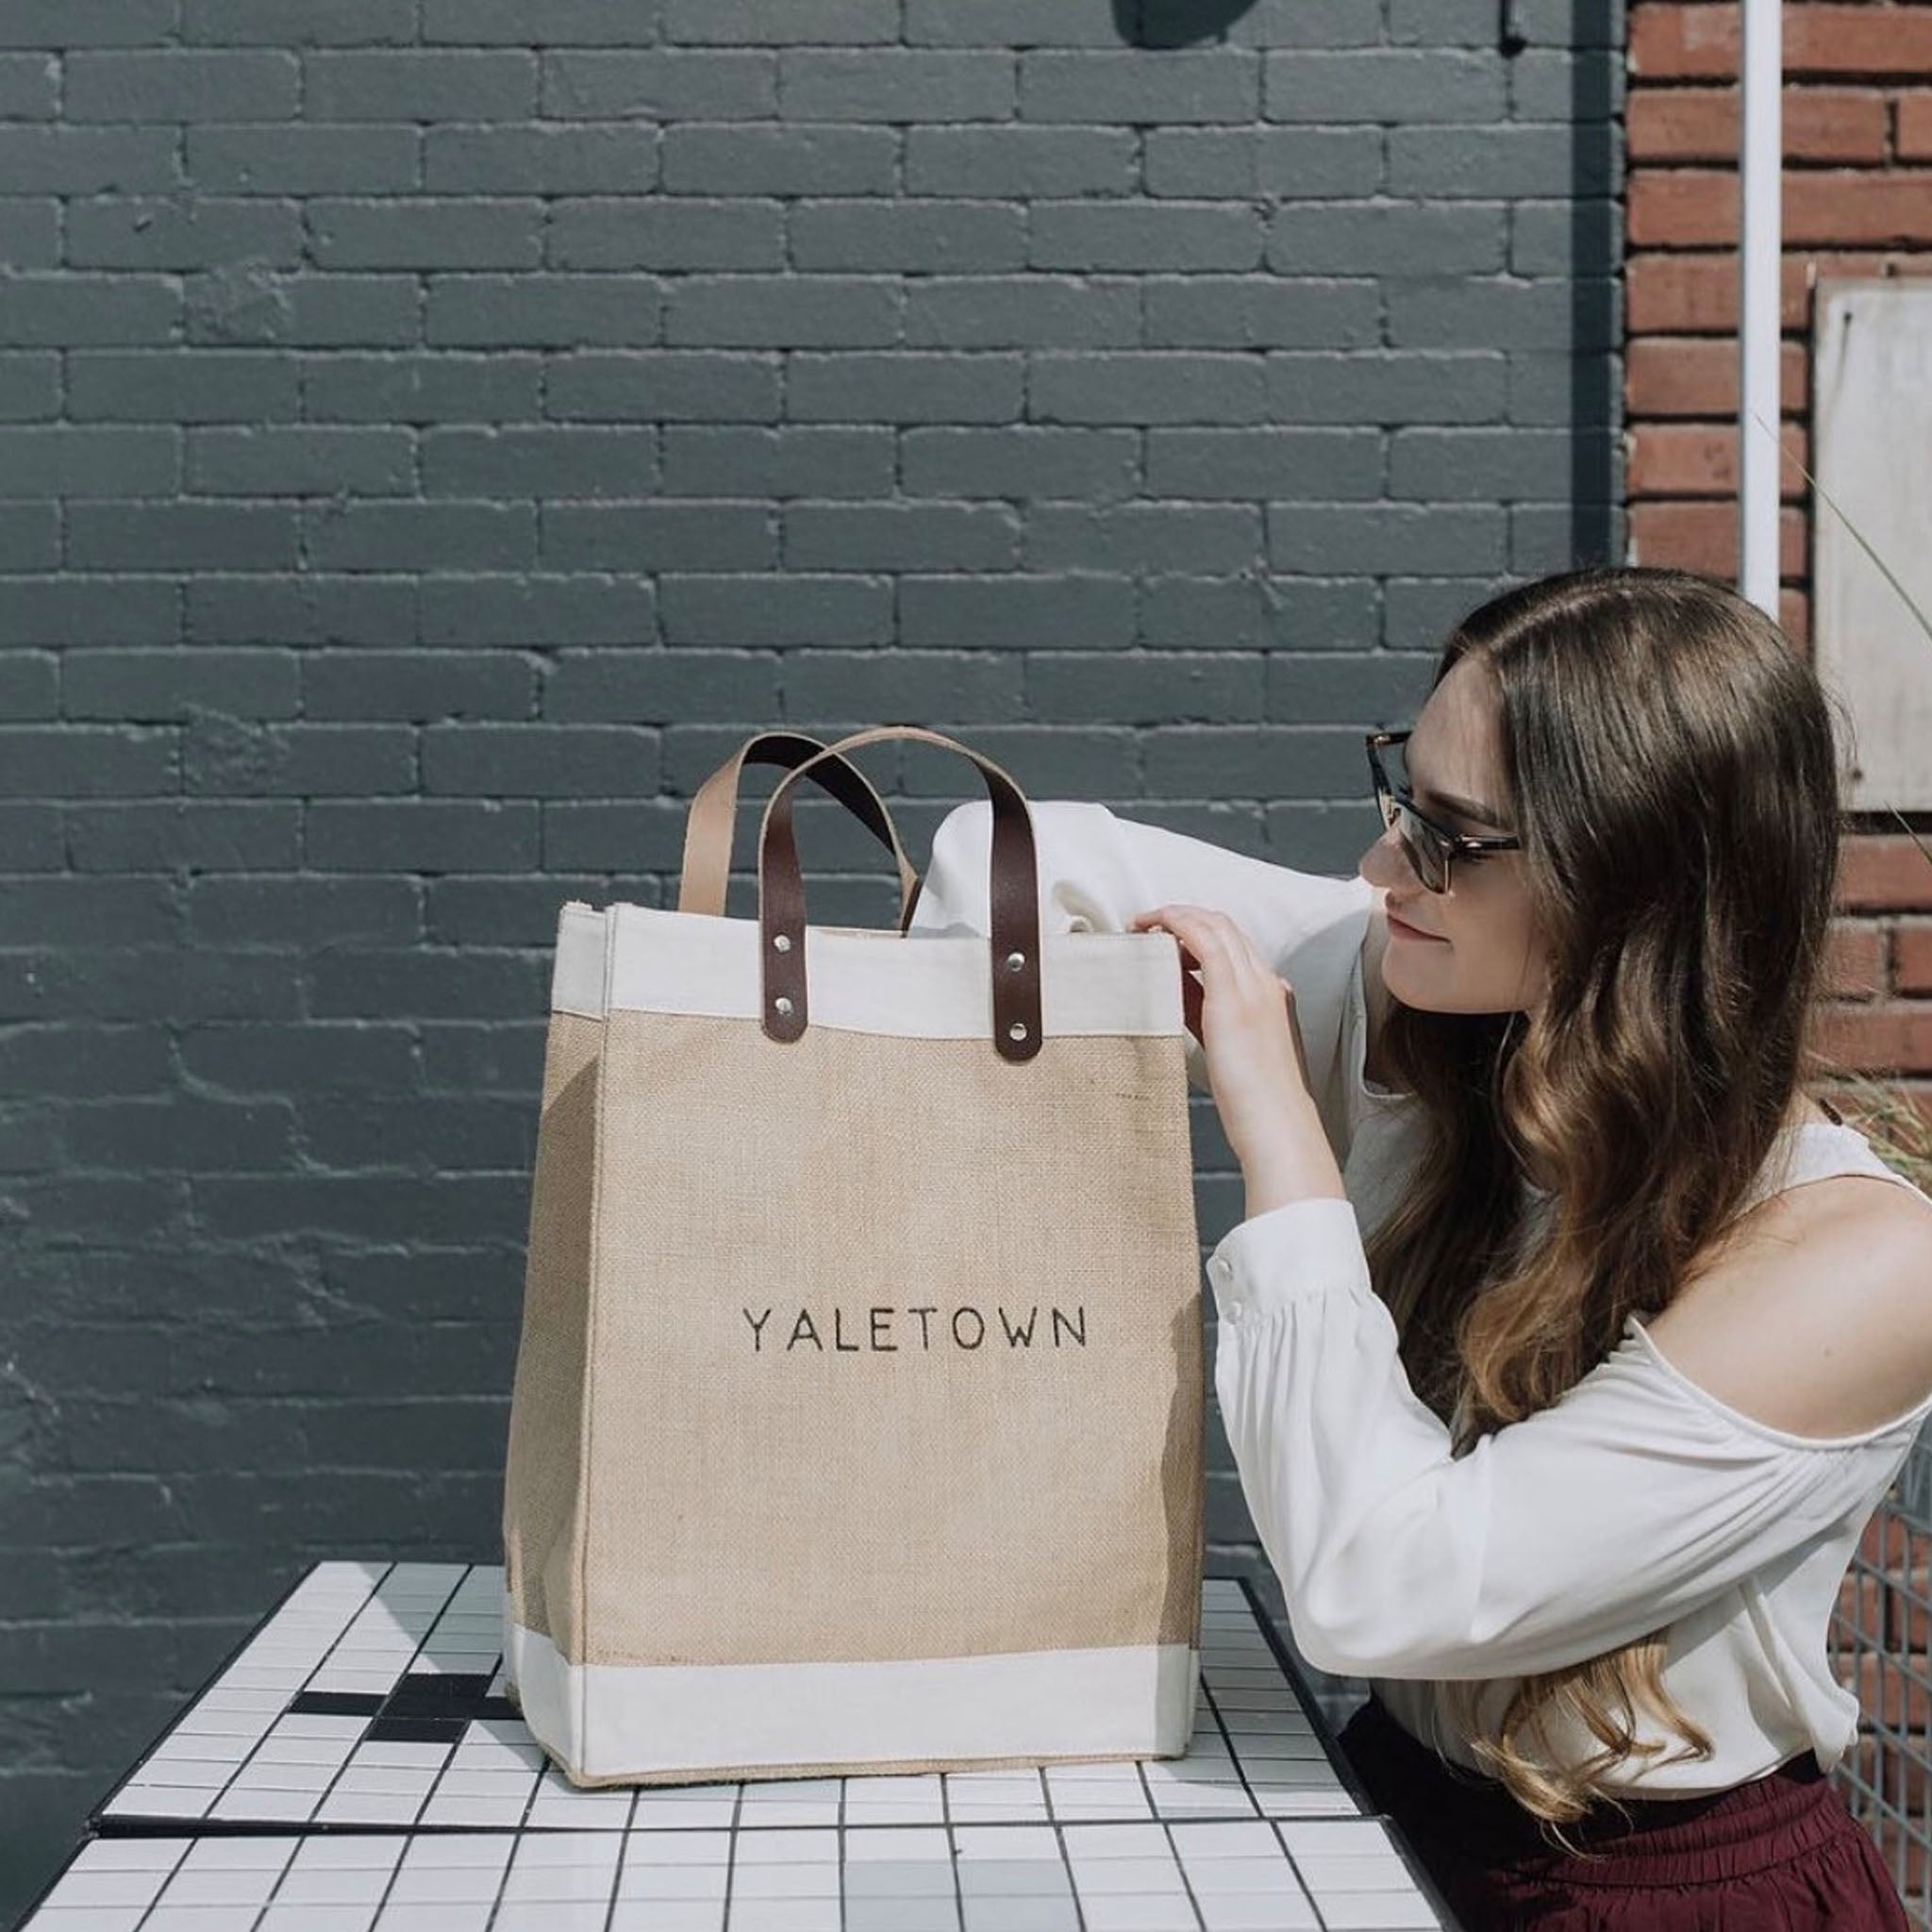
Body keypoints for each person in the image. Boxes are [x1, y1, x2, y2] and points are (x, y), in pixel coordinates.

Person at [909, 565, 1932, 1929]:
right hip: (1389, 1812)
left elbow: (1380, 1589)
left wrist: (1280, 1133)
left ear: (1631, 886)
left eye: (1451, 838)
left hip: (1669, 1895)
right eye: (1403, 795)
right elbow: (1011, 860)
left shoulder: (1856, 1261)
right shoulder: (1428, 996)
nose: (1384, 865)